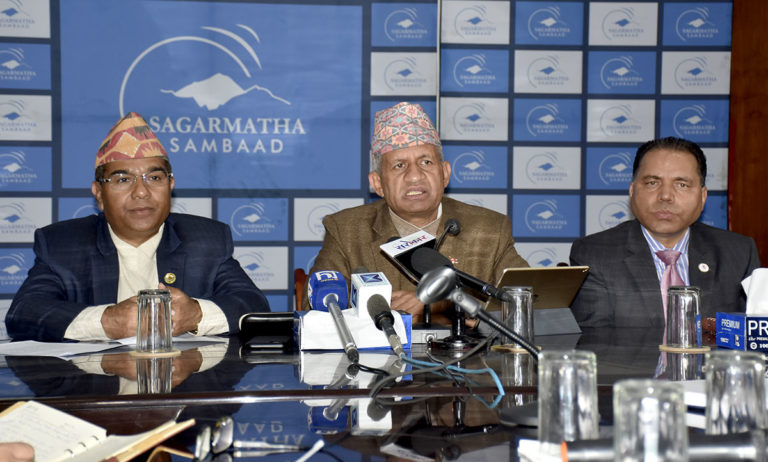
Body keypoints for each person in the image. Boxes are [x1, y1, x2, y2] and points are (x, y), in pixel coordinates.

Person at [6, 112, 269, 341]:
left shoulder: (206, 240)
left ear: (170, 186)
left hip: (184, 379)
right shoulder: (63, 243)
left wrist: (196, 315)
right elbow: (24, 313)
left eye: (154, 178)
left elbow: (253, 306)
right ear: (99, 194)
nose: (141, 192)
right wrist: (108, 321)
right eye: (123, 180)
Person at [301, 102, 528, 322]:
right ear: (378, 183)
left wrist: (439, 304)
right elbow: (314, 310)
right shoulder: (346, 230)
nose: (414, 176)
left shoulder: (489, 229)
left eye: (426, 162)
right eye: (399, 165)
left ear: (445, 174)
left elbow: (529, 301)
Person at [570, 137, 761, 327]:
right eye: (652, 183)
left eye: (681, 184)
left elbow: (754, 333)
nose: (666, 196)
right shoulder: (595, 254)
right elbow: (596, 339)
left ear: (703, 196)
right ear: (632, 190)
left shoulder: (738, 253)